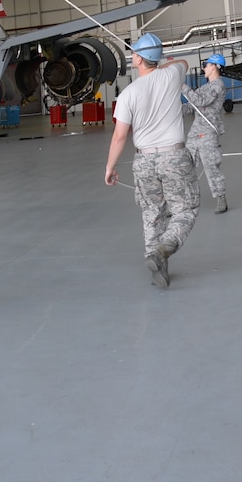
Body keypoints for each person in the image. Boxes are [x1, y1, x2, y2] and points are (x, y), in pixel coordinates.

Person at [104, 32, 198, 289]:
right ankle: (163, 250)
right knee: (185, 210)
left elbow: (120, 136)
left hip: (143, 160)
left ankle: (156, 262)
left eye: (134, 52)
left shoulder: (127, 95)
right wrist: (159, 63)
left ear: (137, 59)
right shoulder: (173, 74)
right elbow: (182, 62)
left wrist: (110, 167)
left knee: (152, 213)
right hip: (174, 156)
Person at [184, 54, 229, 213]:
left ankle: (220, 198)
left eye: (206, 64)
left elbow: (201, 101)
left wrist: (183, 87)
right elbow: (191, 106)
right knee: (184, 167)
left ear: (215, 66)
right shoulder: (203, 88)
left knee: (211, 167)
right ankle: (185, 202)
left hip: (208, 133)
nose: (204, 67)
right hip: (195, 133)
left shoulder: (218, 86)